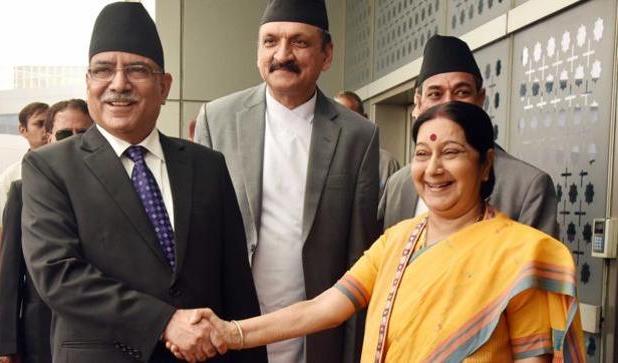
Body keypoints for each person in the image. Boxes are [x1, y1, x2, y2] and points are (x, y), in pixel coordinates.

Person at [178, 101, 584, 362]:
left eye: (452, 152)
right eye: (423, 154)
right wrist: (230, 333)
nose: (434, 168)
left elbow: (536, 358)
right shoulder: (397, 240)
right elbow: (322, 308)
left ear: (486, 164)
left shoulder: (522, 254)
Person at [20, 3, 265, 362]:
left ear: (164, 86)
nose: (119, 84)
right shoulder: (51, 167)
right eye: (103, 70)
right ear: (88, 83)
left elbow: (237, 286)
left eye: (137, 70)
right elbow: (58, 275)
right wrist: (165, 322)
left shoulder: (207, 165)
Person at [195, 0, 380, 362]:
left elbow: (360, 255)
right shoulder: (217, 119)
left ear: (326, 54)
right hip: (234, 321)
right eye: (270, 42)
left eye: (299, 42)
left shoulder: (359, 135)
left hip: (317, 330)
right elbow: (199, 238)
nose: (282, 55)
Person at [378, 35, 559, 238]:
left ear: (480, 99)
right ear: (418, 103)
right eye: (435, 94)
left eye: (462, 92)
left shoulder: (526, 187)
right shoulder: (398, 186)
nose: (449, 104)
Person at [0, 98, 93, 363]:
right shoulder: (21, 190)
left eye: (83, 133)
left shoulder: (114, 190)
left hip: (99, 330)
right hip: (40, 331)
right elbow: (11, 269)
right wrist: (6, 342)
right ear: (49, 137)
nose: (73, 140)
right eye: (64, 133)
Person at [0, 102, 48, 318]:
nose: (45, 130)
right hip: (27, 280)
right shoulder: (11, 177)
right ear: (22, 130)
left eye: (48, 124)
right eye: (39, 124)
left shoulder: (74, 169)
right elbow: (0, 236)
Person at [334, 91, 400, 198]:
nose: (342, 124)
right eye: (337, 118)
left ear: (365, 118)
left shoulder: (386, 163)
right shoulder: (324, 162)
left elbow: (393, 207)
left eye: (349, 117)